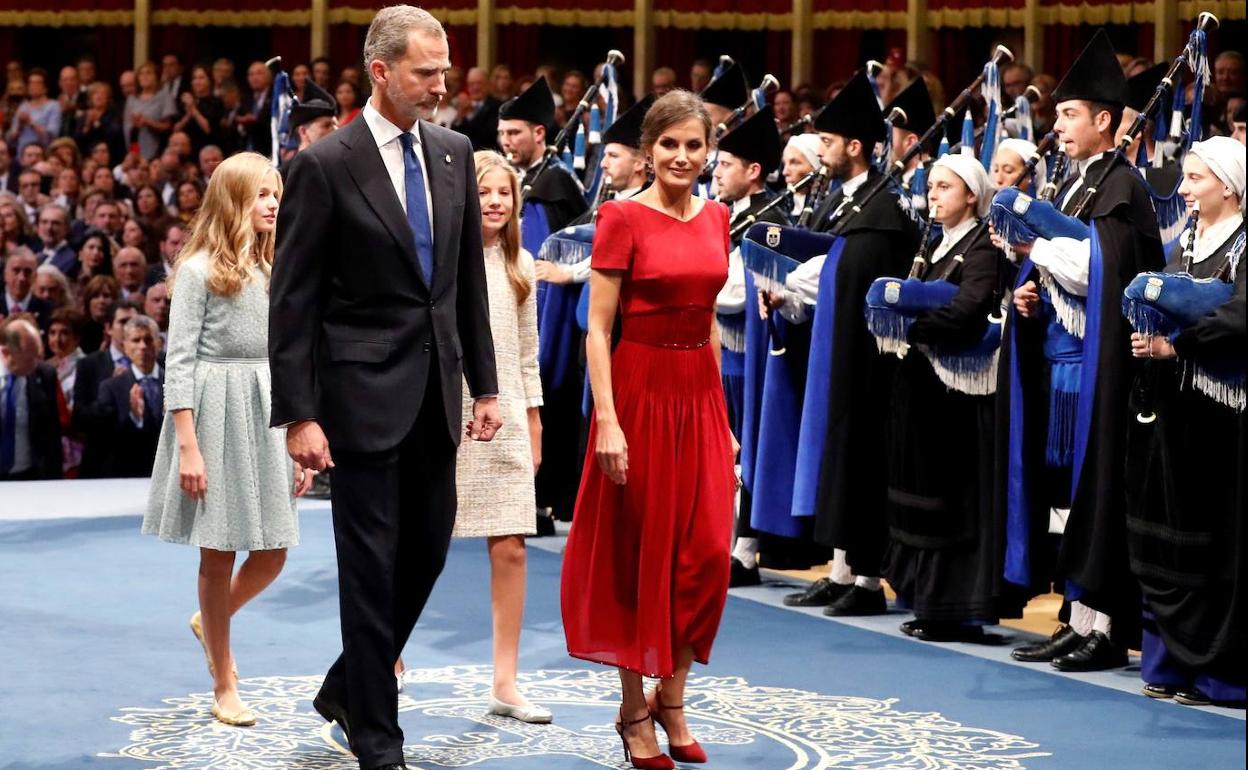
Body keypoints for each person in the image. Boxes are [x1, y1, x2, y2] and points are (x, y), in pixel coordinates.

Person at [269, 7, 501, 769]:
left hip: (439, 391)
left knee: (428, 554)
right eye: (424, 72)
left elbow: (466, 282)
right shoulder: (324, 164)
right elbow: (293, 301)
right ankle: (379, 740)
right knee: (368, 569)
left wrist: (488, 386)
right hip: (358, 399)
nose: (441, 86)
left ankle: (347, 685)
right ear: (379, 71)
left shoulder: (455, 151)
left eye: (443, 71)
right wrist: (299, 414)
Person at [561, 89, 735, 770]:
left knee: (708, 554)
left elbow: (711, 320)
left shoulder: (719, 216)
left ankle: (674, 696)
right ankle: (636, 712)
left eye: (695, 145)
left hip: (699, 397)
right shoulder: (621, 216)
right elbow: (598, 329)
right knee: (640, 554)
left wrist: (723, 420)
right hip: (637, 393)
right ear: (648, 150)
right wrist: (608, 419)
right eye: (670, 145)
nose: (683, 157)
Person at [1002, 29, 1164, 672]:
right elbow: (1063, 270)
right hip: (1059, 362)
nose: (1059, 126)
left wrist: (1033, 251)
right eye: (1058, 115)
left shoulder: (1123, 186)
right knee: (1067, 494)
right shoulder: (1072, 186)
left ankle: (1103, 623)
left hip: (1102, 371)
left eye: (1070, 115)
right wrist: (1028, 293)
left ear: (1104, 119)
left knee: (1095, 491)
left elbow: (1108, 269)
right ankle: (1076, 613)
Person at [142, 152, 306, 726]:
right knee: (220, 549)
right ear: (234, 199)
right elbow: (179, 361)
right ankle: (223, 681)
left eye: (276, 195)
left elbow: (285, 358)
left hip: (265, 409)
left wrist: (294, 431)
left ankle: (211, 619)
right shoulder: (194, 270)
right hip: (213, 411)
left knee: (275, 547)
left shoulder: (273, 267)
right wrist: (188, 444)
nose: (272, 205)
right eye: (262, 195)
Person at [768, 70, 920, 614]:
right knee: (842, 459)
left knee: (864, 462)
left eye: (829, 143)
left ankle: (866, 578)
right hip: (838, 350)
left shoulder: (884, 208)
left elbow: (859, 278)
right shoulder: (844, 202)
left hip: (870, 361)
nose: (822, 152)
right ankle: (844, 568)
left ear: (855, 147)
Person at [420, 149, 548, 721]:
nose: (495, 201)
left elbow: (526, 355)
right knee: (421, 543)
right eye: (485, 192)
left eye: (505, 193)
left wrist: (535, 419)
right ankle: (388, 654)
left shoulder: (521, 265)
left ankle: (505, 680)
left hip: (510, 414)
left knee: (512, 546)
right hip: (448, 408)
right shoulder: (441, 260)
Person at [1124, 137, 1245, 707]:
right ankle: (1169, 663)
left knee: (1219, 543)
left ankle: (1221, 674)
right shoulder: (1189, 242)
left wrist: (1178, 346)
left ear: (1227, 184)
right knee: (1170, 539)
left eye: (1195, 180)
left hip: (1227, 420)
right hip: (1176, 413)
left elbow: (1240, 315)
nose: (1186, 192)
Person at [880, 154, 1020, 641]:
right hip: (925, 387)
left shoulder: (982, 247)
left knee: (954, 499)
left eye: (944, 187)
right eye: (931, 186)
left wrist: (912, 326)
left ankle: (954, 609)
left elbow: (971, 306)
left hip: (957, 397)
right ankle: (926, 600)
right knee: (922, 491)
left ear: (972, 196)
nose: (933, 195)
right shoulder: (935, 242)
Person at [498, 76, 588, 527]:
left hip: (551, 315)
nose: (506, 142)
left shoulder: (555, 184)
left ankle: (544, 499)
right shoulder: (514, 181)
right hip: (512, 308)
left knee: (546, 401)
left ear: (539, 133)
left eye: (514, 133)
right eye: (501, 135)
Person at [0, 315, 62, 479]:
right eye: (30, 359)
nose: (36, 364)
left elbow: (52, 434)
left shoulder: (45, 375)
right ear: (6, 353)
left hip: (29, 476)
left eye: (38, 356)